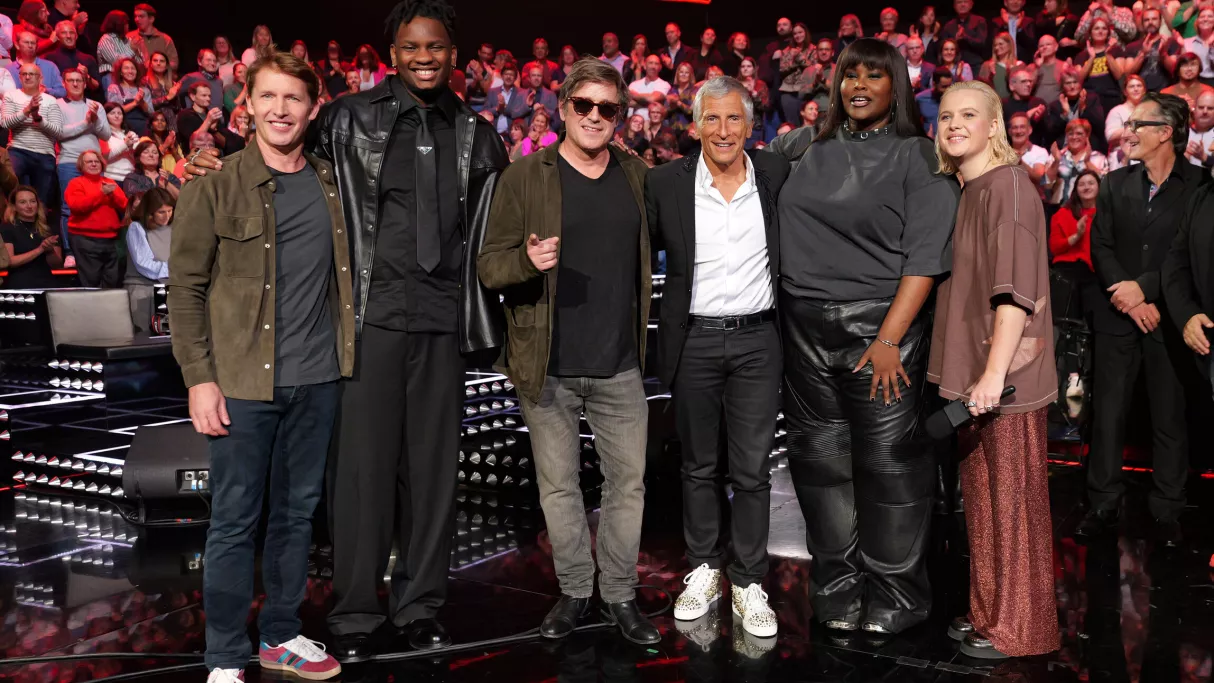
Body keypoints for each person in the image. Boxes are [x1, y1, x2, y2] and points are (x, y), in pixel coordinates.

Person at [186, 0, 511, 661]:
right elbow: (278, 159)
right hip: (366, 321)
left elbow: (497, 223)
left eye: (436, 46)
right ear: (392, 54)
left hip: (443, 323)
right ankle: (357, 609)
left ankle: (421, 605)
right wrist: (216, 164)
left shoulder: (480, 135)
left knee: (432, 475)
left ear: (454, 54)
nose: (424, 57)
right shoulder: (347, 118)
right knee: (359, 474)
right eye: (411, 46)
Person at [767, 38, 959, 636]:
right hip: (802, 328)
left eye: (874, 76)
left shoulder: (918, 155)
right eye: (850, 75)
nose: (859, 86)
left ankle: (897, 595)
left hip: (879, 328)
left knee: (889, 467)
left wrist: (889, 340)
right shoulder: (802, 147)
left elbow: (925, 261)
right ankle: (838, 589)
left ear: (895, 86)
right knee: (818, 466)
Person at [170, 51, 350, 683]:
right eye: (267, 96)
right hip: (242, 383)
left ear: (313, 107)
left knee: (297, 517)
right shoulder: (213, 184)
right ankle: (223, 655)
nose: (280, 109)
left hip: (318, 380)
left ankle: (279, 634)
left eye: (293, 97)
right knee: (234, 520)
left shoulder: (333, 185)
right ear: (246, 104)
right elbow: (185, 289)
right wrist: (199, 378)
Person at [479, 55, 658, 646]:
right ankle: (577, 590)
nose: (595, 116)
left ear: (620, 115)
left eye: (607, 108)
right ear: (563, 107)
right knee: (559, 489)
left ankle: (620, 594)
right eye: (584, 104)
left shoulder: (636, 176)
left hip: (620, 364)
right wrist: (526, 262)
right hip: (547, 363)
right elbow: (489, 265)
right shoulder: (525, 176)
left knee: (627, 486)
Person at [645, 75, 790, 639]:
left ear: (750, 126)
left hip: (758, 340)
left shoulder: (775, 173)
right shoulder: (666, 183)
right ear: (695, 125)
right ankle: (705, 568)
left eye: (734, 119)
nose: (723, 130)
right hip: (695, 340)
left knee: (752, 470)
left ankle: (749, 580)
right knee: (698, 466)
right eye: (712, 118)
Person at [930, 78, 1059, 662]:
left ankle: (1021, 629)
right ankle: (989, 614)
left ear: (993, 126)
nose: (955, 124)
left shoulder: (1008, 186)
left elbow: (1014, 295)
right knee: (983, 504)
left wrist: (991, 374)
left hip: (1003, 380)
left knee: (1011, 507)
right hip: (977, 379)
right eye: (946, 116)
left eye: (968, 115)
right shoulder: (972, 189)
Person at [1079, 92, 1205, 548]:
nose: (1126, 132)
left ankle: (1168, 508)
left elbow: (1190, 251)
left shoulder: (1200, 185)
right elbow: (1101, 246)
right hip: (1118, 316)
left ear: (1165, 132)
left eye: (1137, 124)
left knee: (1169, 415)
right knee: (1108, 414)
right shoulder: (1114, 183)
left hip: (1171, 318)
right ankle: (1103, 504)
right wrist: (1130, 300)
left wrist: (1146, 290)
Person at [56, 69, 109, 262]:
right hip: (69, 161)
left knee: (96, 205)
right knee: (68, 208)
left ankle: (92, 252)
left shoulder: (96, 105)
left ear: (85, 84)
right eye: (71, 80)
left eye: (79, 80)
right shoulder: (58, 105)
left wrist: (95, 120)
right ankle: (70, 253)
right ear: (64, 83)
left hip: (93, 163)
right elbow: (58, 133)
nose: (75, 84)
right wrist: (86, 122)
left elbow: (106, 135)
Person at [3, 64, 63, 207]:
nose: (28, 77)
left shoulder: (50, 100)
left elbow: (58, 132)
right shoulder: (11, 95)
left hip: (45, 153)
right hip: (18, 150)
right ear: (19, 77)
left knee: (41, 202)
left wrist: (38, 118)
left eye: (32, 74)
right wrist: (27, 110)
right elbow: (5, 123)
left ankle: (39, 222)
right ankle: (11, 220)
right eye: (24, 74)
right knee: (10, 194)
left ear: (40, 78)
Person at [64, 149, 126, 287]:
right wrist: (101, 193)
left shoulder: (110, 182)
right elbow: (77, 206)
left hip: (111, 239)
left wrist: (112, 195)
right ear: (82, 165)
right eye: (89, 162)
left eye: (96, 161)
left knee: (112, 280)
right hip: (85, 239)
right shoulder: (76, 183)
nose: (93, 164)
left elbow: (125, 206)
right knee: (91, 281)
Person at [1050, 169, 1101, 326]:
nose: (1086, 187)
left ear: (1099, 187)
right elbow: (1054, 247)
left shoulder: (1107, 215)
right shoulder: (1062, 214)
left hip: (1096, 273)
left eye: (1091, 183)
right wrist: (1076, 236)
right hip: (1067, 273)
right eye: (1082, 184)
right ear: (1076, 189)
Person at [123, 185, 172, 331]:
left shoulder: (172, 228)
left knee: (165, 336)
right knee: (144, 335)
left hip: (166, 289)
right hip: (143, 291)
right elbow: (144, 263)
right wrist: (177, 268)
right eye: (161, 212)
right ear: (149, 212)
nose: (167, 216)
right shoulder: (136, 228)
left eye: (170, 211)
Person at [1, 186, 61, 289]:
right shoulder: (7, 228)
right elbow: (10, 261)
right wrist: (40, 249)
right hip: (20, 284)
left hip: (47, 283)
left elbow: (57, 265)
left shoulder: (47, 228)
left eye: (32, 201)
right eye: (23, 202)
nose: (29, 206)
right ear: (14, 207)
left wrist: (50, 251)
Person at [1118, 7, 1182, 92]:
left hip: (1165, 93)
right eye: (1146, 20)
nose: (1150, 22)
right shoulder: (1132, 46)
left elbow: (1174, 70)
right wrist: (1142, 53)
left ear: (1160, 22)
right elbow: (1127, 74)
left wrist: (1163, 53)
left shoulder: (1170, 42)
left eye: (1154, 19)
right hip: (1140, 94)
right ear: (1142, 23)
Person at [1045, 67, 1107, 153]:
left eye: (1075, 82)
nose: (1072, 86)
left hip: (1089, 148)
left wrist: (1083, 109)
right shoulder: (1056, 105)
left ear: (1080, 84)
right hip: (1064, 150)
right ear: (1062, 86)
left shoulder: (1091, 100)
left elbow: (1100, 126)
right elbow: (1050, 134)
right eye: (1068, 83)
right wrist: (1064, 115)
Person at [1047, 118, 1108, 204]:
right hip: (1059, 207)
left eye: (1079, 134)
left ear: (1087, 136)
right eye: (1070, 134)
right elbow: (1046, 185)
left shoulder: (1098, 158)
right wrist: (1056, 162)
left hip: (1088, 207)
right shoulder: (1056, 156)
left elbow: (1106, 185)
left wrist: (1087, 162)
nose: (1074, 137)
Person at [1079, 18, 1127, 114]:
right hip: (1090, 100)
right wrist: (1091, 58)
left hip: (1112, 98)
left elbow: (1119, 75)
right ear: (1090, 33)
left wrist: (1107, 53)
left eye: (1104, 28)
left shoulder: (1116, 50)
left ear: (1108, 33)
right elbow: (1079, 78)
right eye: (1096, 28)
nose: (1100, 31)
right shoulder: (1082, 55)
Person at [45, 20, 100, 94]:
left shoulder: (88, 58)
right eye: (64, 33)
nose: (68, 36)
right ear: (57, 37)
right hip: (60, 98)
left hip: (85, 99)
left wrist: (86, 76)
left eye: (71, 33)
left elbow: (97, 86)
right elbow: (47, 85)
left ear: (76, 36)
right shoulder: (50, 58)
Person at [8, 28, 64, 98]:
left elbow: (62, 91)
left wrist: (47, 91)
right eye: (26, 42)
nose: (30, 46)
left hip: (45, 103)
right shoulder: (9, 70)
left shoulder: (50, 67)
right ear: (17, 45)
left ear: (37, 47)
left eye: (33, 43)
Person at [106, 57, 153, 135]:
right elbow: (113, 112)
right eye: (126, 68)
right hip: (123, 128)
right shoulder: (114, 88)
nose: (130, 71)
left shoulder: (144, 90)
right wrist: (135, 103)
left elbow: (151, 113)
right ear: (121, 72)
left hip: (142, 127)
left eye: (133, 68)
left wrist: (142, 103)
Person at [127, 3, 176, 78]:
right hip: (137, 79)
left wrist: (158, 67)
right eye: (135, 16)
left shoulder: (165, 39)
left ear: (151, 19)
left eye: (141, 16)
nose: (137, 19)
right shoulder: (129, 37)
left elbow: (174, 63)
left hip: (160, 79)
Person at [940, 0, 990, 72]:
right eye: (959, 2)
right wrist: (955, 40)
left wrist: (965, 36)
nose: (962, 5)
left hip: (975, 65)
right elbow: (942, 47)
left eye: (965, 2)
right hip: (954, 66)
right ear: (954, 6)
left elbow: (982, 43)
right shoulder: (949, 25)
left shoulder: (979, 21)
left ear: (971, 4)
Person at [777, 23, 812, 127]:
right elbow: (782, 69)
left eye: (800, 32)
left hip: (806, 91)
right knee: (792, 124)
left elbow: (812, 68)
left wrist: (799, 56)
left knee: (807, 123)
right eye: (795, 33)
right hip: (788, 91)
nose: (797, 35)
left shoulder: (813, 49)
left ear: (805, 33)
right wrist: (792, 59)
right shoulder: (787, 51)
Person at [177, 82, 227, 153]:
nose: (208, 98)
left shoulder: (211, 115)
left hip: (216, 155)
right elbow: (194, 141)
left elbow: (224, 144)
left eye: (209, 96)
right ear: (193, 97)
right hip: (196, 156)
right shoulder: (185, 115)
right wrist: (208, 121)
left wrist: (214, 130)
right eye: (204, 95)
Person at [96, 10, 138, 92]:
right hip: (112, 76)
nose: (128, 25)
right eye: (126, 23)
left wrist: (139, 51)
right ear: (118, 24)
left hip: (130, 77)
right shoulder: (106, 39)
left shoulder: (128, 40)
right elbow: (116, 61)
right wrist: (132, 50)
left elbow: (138, 62)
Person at [486, 62, 530, 134]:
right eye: (506, 74)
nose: (508, 77)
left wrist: (505, 107)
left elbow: (521, 113)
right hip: (494, 132)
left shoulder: (522, 93)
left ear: (515, 78)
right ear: (502, 75)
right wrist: (497, 108)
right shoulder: (492, 91)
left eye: (511, 75)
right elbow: (485, 112)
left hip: (513, 134)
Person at [1106, 75, 1149, 149]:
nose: (1136, 89)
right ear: (1125, 92)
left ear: (1144, 90)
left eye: (1139, 86)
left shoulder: (1150, 110)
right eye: (1132, 86)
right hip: (1122, 153)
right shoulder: (1116, 111)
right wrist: (1134, 126)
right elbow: (1110, 137)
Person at [179, 49, 225, 114]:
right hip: (199, 118)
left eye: (214, 61)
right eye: (208, 60)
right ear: (199, 62)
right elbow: (175, 94)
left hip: (218, 118)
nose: (212, 63)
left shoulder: (219, 81)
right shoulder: (191, 77)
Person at [101, 102, 137, 183]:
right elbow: (105, 157)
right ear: (105, 116)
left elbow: (139, 157)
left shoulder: (131, 134)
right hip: (111, 176)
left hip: (130, 178)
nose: (116, 116)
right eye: (112, 113)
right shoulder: (103, 135)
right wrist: (125, 144)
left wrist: (132, 148)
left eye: (119, 113)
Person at [979, 32, 1022, 99]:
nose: (997, 47)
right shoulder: (987, 65)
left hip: (1012, 103)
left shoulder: (1019, 65)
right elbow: (981, 87)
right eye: (995, 45)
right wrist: (991, 75)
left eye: (1000, 44)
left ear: (1009, 45)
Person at [145, 52, 181, 130]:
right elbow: (147, 105)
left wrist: (175, 97)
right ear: (151, 64)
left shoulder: (172, 83)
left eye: (162, 61)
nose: (158, 63)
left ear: (166, 65)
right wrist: (166, 98)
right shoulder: (145, 82)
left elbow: (177, 108)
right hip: (155, 123)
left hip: (172, 123)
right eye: (155, 60)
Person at [628, 55, 670, 119]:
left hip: (652, 123)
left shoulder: (664, 84)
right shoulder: (634, 84)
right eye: (650, 63)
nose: (653, 66)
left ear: (660, 67)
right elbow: (628, 103)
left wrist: (632, 94)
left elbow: (652, 99)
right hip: (635, 122)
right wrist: (649, 103)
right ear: (645, 66)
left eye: (656, 64)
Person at [665, 62, 696, 134]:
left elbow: (691, 111)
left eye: (687, 72)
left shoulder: (694, 90)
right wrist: (671, 105)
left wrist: (678, 103)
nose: (683, 74)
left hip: (688, 130)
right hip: (672, 128)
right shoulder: (672, 90)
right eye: (681, 72)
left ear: (690, 75)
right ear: (677, 74)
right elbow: (666, 111)